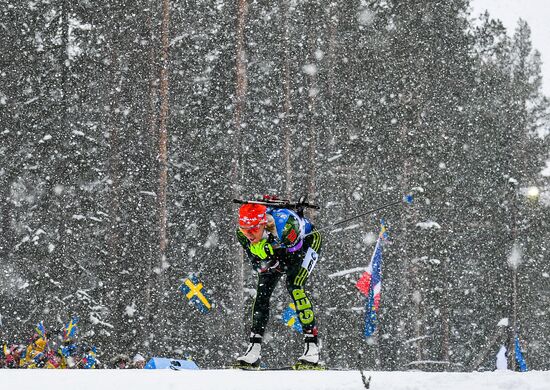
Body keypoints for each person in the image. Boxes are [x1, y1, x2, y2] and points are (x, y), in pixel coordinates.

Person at [235, 201, 322, 367]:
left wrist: (275, 261)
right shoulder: (243, 234)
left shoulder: (286, 227)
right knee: (262, 292)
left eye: (253, 230)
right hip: (278, 251)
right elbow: (255, 262)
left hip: (306, 244)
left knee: (294, 285)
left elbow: (293, 262)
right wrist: (268, 262)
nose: (249, 235)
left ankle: (312, 348)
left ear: (264, 224)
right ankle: (254, 348)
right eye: (245, 230)